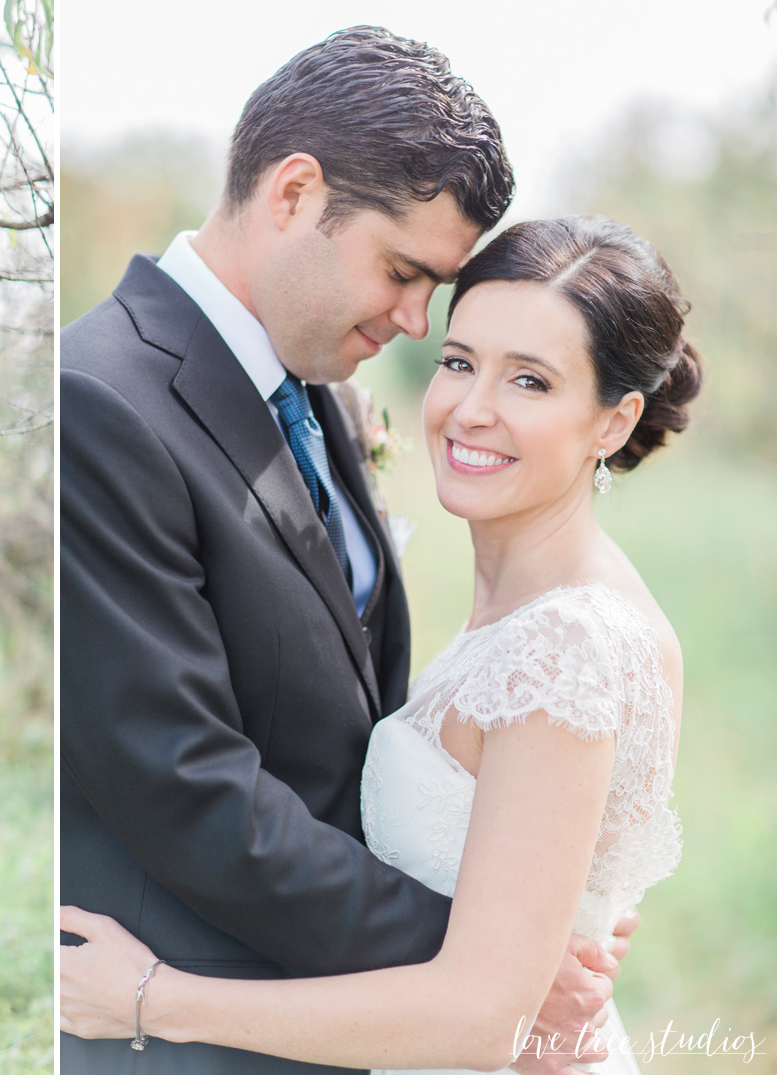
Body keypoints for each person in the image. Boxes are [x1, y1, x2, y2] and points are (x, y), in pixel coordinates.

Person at [59, 26, 636, 1075]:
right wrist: (481, 954)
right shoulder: (98, 404)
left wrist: (511, 921)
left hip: (348, 1019)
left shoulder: (312, 389)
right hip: (181, 1022)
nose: (419, 322)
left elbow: (350, 723)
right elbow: (185, 782)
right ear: (293, 195)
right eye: (404, 272)